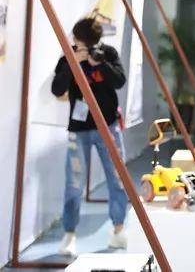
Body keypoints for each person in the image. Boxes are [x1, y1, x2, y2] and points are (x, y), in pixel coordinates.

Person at [51, 17, 128, 257]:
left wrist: (100, 64)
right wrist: (73, 64)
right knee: (74, 183)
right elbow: (57, 89)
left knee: (117, 179)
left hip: (108, 127)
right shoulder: (68, 57)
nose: (78, 44)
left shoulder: (107, 54)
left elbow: (120, 81)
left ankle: (118, 229)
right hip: (79, 129)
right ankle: (69, 234)